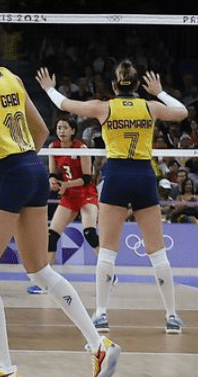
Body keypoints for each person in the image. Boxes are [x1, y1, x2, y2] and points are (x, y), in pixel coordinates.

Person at [0, 20, 118, 377]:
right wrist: (22, 161)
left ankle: (3, 364)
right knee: (40, 270)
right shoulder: (11, 77)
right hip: (33, 167)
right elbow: (42, 130)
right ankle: (98, 344)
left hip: (8, 173)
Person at [37, 61, 188, 335]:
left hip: (117, 175)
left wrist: (49, 88)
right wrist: (160, 91)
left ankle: (101, 314)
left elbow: (66, 103)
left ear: (114, 85)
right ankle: (172, 316)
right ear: (138, 86)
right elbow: (183, 112)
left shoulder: (103, 107)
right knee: (157, 252)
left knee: (107, 251)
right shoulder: (150, 107)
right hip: (143, 175)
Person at [27, 115, 100, 294]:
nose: (61, 131)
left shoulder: (81, 147)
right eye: (59, 128)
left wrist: (66, 184)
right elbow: (53, 173)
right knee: (51, 236)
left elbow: (86, 178)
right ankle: (46, 282)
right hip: (68, 196)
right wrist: (53, 181)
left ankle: (108, 272)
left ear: (73, 130)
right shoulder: (53, 147)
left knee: (89, 233)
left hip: (86, 194)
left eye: (65, 128)